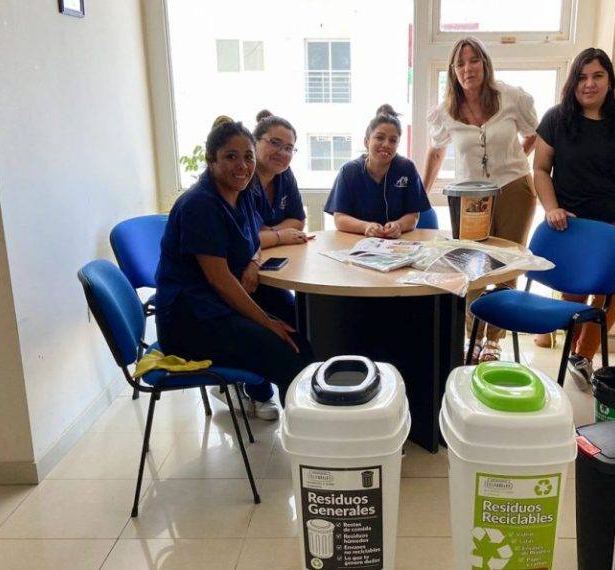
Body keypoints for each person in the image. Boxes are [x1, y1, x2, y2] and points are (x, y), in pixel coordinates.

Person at [155, 117, 313, 420]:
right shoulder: (200, 205)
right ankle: (307, 432)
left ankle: (314, 418)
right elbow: (220, 281)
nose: (242, 166)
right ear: (210, 159)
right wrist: (267, 323)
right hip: (192, 321)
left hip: (221, 303)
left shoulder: (241, 194)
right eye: (231, 156)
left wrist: (253, 262)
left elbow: (254, 238)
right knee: (286, 351)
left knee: (301, 326)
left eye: (248, 157)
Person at [532, 47, 615, 391]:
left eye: (597, 76)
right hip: (570, 227)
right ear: (573, 82)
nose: (589, 84)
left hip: (611, 228)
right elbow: (540, 169)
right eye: (582, 77)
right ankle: (574, 354)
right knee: (575, 297)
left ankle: (583, 355)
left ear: (610, 81)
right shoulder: (556, 119)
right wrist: (551, 208)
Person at [423, 36, 539, 362]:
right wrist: (421, 194)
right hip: (469, 196)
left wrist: (516, 161)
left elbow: (533, 133)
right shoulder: (446, 111)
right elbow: (435, 152)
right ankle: (472, 337)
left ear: (485, 64)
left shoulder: (511, 97)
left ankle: (494, 341)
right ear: (453, 71)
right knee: (472, 265)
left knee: (506, 266)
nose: (467, 68)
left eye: (473, 60)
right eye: (460, 63)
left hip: (514, 189)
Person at [324, 104, 430, 238]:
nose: (386, 144)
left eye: (393, 140)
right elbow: (339, 218)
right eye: (379, 138)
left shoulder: (407, 169)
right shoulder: (349, 172)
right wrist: (366, 227)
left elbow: (413, 216)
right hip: (357, 242)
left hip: (396, 243)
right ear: (366, 142)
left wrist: (398, 225)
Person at [248, 110, 309, 328]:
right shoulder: (242, 178)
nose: (282, 152)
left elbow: (298, 220)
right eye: (275, 143)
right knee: (294, 321)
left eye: (289, 148)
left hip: (265, 265)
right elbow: (245, 239)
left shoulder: (284, 174)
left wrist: (267, 234)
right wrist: (280, 236)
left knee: (300, 317)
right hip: (242, 276)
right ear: (254, 142)